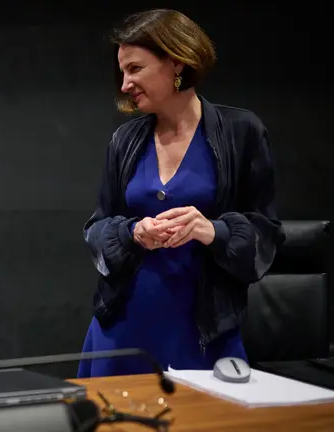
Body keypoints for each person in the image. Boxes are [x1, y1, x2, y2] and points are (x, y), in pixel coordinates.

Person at [77, 9, 285, 378]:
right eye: (123, 72)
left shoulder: (242, 131)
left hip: (205, 331)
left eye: (135, 69)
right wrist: (133, 232)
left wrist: (214, 230)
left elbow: (265, 235)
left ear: (176, 62)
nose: (124, 84)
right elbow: (97, 229)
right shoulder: (125, 139)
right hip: (122, 328)